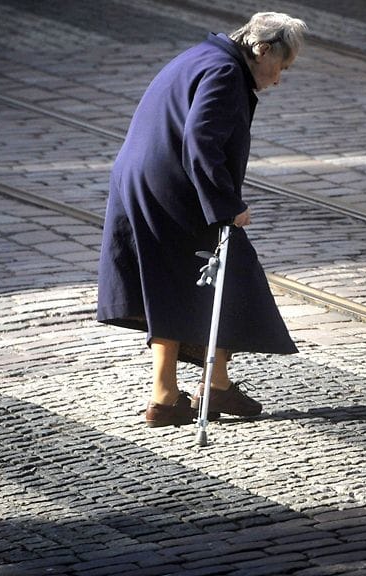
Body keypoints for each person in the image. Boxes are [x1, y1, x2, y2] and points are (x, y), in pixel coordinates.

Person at [97, 12, 307, 428]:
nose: (279, 79)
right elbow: (201, 141)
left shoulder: (204, 55)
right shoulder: (225, 72)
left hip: (145, 178)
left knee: (171, 283)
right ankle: (204, 387)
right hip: (171, 186)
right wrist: (226, 205)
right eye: (281, 67)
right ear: (262, 49)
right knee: (229, 276)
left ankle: (174, 394)